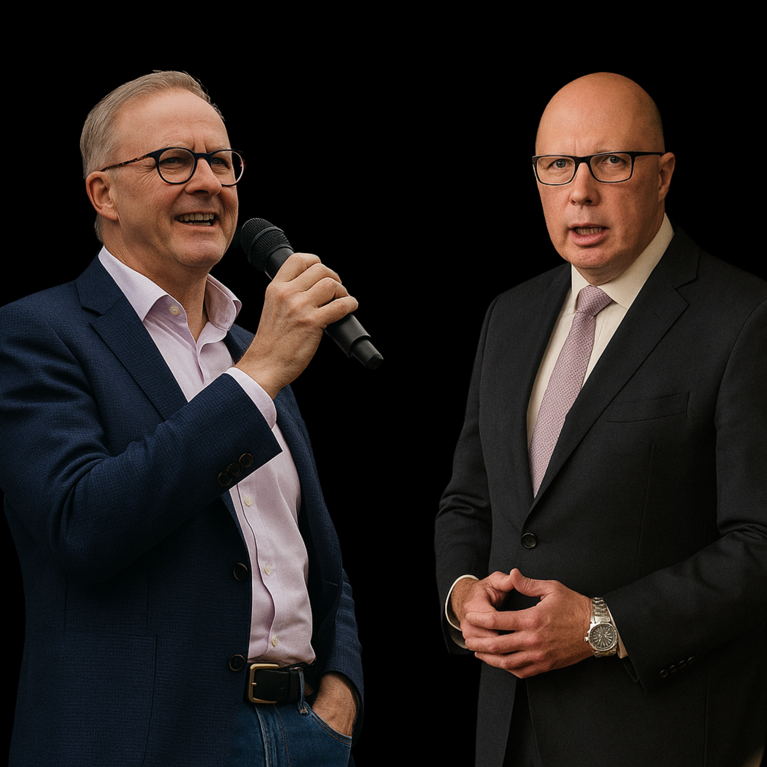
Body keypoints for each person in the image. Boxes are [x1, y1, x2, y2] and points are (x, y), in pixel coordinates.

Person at [1, 71, 363, 767]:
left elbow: (307, 544)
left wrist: (341, 689)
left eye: (221, 161)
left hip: (304, 734)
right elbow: (82, 524)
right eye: (173, 160)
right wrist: (257, 377)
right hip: (149, 740)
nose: (207, 182)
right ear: (103, 193)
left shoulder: (248, 345)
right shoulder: (36, 333)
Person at [435, 72, 767, 766]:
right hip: (506, 733)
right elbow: (469, 501)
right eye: (557, 165)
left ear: (663, 174)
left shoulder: (743, 319)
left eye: (611, 162)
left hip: (657, 739)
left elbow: (758, 544)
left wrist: (599, 625)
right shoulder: (509, 315)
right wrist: (461, 596)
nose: (580, 191)